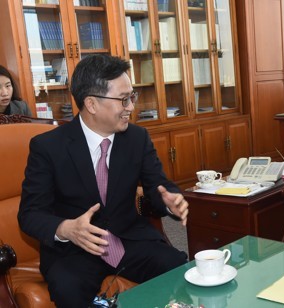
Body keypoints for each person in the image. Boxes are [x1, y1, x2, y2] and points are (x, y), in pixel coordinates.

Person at [18, 54, 189, 307]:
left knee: (177, 268)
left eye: (132, 97)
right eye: (123, 99)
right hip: (76, 248)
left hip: (129, 239)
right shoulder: (48, 147)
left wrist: (169, 199)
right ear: (91, 104)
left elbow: (157, 185)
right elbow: (30, 214)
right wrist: (66, 229)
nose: (131, 107)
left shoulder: (137, 138)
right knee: (68, 288)